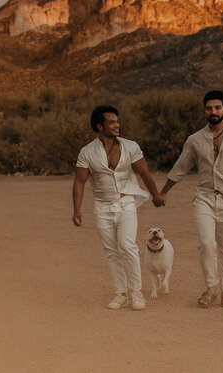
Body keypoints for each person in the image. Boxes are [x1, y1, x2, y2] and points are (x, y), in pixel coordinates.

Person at [160, 90, 223, 308]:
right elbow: (180, 168)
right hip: (204, 198)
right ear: (205, 110)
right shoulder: (195, 140)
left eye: (217, 108)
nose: (213, 112)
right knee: (206, 243)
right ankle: (211, 287)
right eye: (209, 108)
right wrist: (164, 191)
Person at [72, 105, 163, 311]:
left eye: (117, 121)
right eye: (111, 122)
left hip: (126, 203)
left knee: (127, 245)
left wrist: (156, 194)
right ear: (99, 126)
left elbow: (144, 174)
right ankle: (120, 293)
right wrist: (77, 210)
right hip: (102, 208)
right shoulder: (87, 152)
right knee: (111, 251)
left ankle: (136, 292)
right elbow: (79, 181)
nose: (116, 125)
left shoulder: (130, 147)